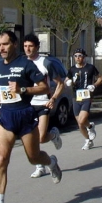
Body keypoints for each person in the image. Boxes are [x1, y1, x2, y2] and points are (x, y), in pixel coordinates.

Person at [0, 31, 62, 203]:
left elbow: (45, 87)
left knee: (34, 158)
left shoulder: (26, 64)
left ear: (14, 44)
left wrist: (23, 89)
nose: (1, 48)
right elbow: (3, 91)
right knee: (1, 159)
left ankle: (51, 163)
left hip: (25, 115)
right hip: (6, 118)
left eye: (5, 44)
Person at [23, 33, 64, 179]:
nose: (28, 49)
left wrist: (53, 98)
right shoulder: (21, 62)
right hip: (27, 104)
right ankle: (40, 166)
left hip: (43, 103)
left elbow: (60, 83)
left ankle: (53, 134)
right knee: (29, 138)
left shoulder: (45, 63)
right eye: (25, 46)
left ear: (37, 47)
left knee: (40, 137)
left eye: (31, 46)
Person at [64, 48, 102, 150]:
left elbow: (100, 78)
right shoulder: (72, 69)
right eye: (76, 56)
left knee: (82, 121)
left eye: (80, 56)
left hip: (87, 96)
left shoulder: (90, 68)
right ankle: (88, 139)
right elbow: (67, 79)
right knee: (80, 124)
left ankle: (90, 127)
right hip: (76, 97)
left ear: (84, 57)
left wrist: (94, 85)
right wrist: (68, 82)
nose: (78, 58)